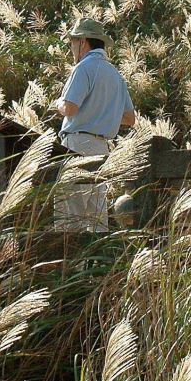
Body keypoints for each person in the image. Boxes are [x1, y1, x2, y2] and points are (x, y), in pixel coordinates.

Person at [53, 17, 137, 233]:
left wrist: (58, 104)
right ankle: (95, 263)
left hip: (77, 146)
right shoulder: (116, 75)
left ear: (83, 42)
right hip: (102, 150)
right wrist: (102, 113)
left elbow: (70, 108)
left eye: (72, 41)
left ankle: (73, 266)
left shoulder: (83, 69)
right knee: (96, 219)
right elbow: (130, 119)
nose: (71, 47)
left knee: (70, 218)